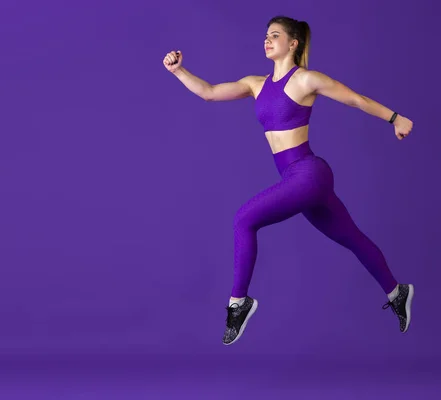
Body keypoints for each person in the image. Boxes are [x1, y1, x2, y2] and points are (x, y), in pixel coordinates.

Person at [163, 15, 415, 346]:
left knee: (244, 219)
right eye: (266, 36)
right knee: (351, 237)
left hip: (308, 172)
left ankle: (239, 303)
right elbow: (209, 93)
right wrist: (179, 71)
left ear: (292, 43)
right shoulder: (256, 83)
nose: (266, 40)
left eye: (275, 35)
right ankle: (398, 292)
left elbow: (355, 99)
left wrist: (396, 118)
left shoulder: (306, 80)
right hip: (298, 178)